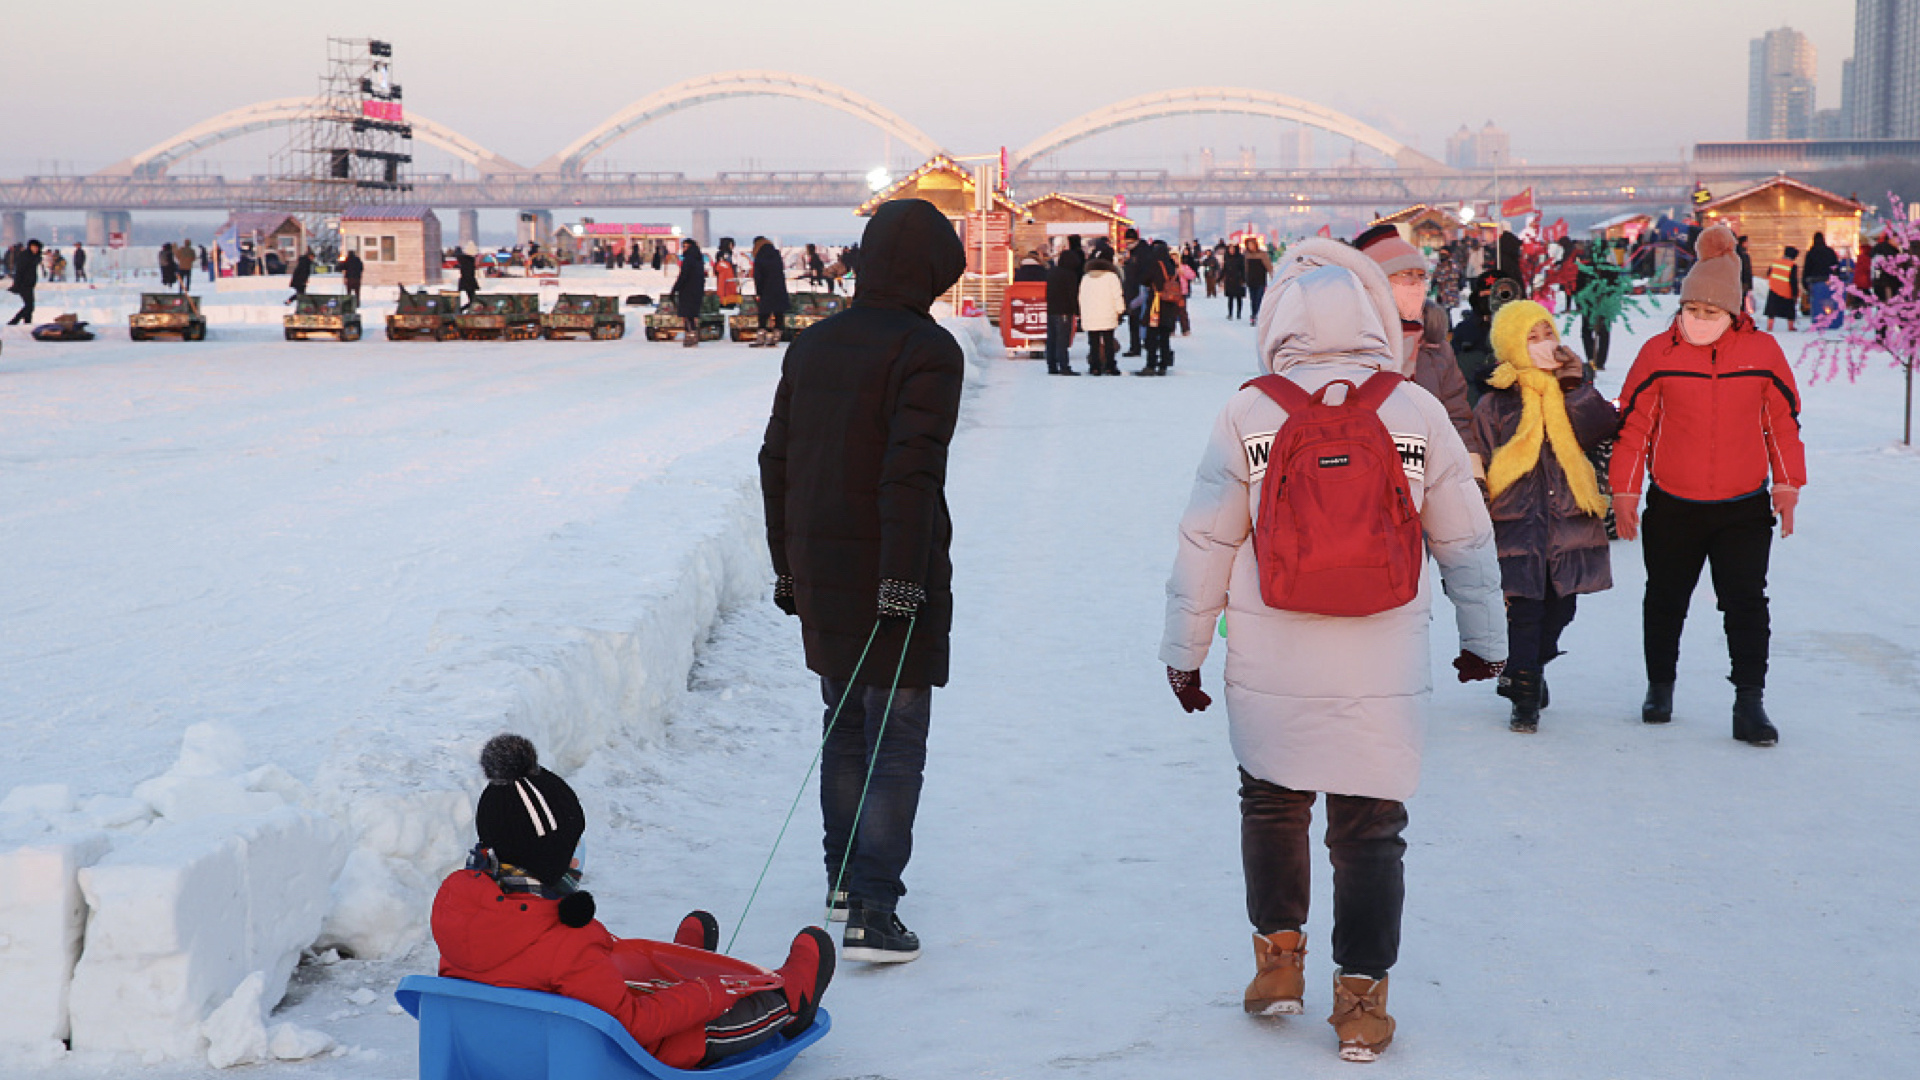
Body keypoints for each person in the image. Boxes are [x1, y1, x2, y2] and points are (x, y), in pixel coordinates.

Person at [1159, 239, 1505, 1064]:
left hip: (1271, 650)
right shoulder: (1413, 409)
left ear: (1278, 321)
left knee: (1273, 801)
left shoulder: (1252, 410)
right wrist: (1484, 640)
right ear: (1379, 317)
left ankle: (1278, 966)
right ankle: (1360, 1005)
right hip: (1381, 656)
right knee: (1372, 825)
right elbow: (1464, 536)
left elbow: (1207, 540)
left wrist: (1185, 651)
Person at [758, 198, 965, 965]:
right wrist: (902, 581)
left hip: (822, 569)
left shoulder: (813, 345)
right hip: (891, 569)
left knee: (844, 725)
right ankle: (874, 910)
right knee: (894, 736)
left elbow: (774, 460)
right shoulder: (928, 350)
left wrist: (787, 564)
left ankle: (844, 881)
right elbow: (909, 478)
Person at [432, 735, 834, 1070]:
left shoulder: (460, 915)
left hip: (514, 1056)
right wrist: (708, 993)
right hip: (626, 1058)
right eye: (571, 844)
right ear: (552, 858)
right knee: (718, 1020)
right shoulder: (567, 944)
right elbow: (637, 1024)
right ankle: (791, 1001)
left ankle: (677, 963)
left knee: (616, 968)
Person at [1609, 224, 1806, 747]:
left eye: (1710, 313)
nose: (1698, 321)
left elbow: (1782, 424)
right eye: (1691, 310)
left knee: (1745, 601)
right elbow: (1634, 427)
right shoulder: (1659, 354)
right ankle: (1660, 684)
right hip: (1674, 503)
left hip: (1742, 505)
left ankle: (1749, 701)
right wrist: (1625, 493)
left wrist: (1787, 486)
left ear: (1734, 312)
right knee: (1666, 598)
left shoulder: (1762, 354)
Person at [1467, 300, 1618, 732]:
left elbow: (1601, 427)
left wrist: (1575, 386)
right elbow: (1477, 450)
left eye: (1546, 333)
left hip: (1570, 521)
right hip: (1516, 522)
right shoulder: (1495, 403)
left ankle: (1528, 666)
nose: (1542, 344)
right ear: (1511, 345)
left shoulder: (1571, 389)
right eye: (1531, 338)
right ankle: (1526, 699)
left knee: (1562, 609)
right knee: (1525, 611)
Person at [1355, 226, 1474, 450]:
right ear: (1377, 283)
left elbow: (1457, 418)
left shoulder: (1435, 346)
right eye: (1405, 275)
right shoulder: (1352, 345)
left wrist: (1472, 469)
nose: (1416, 284)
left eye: (1420, 276)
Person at [1077, 243, 1125, 376]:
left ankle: (1095, 367)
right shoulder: (1111, 277)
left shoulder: (1086, 278)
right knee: (1108, 341)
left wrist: (1083, 313)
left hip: (1090, 315)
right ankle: (1110, 366)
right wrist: (1120, 310)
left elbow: (1081, 297)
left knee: (1094, 343)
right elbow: (1117, 295)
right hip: (1107, 314)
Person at [1136, 240, 1181, 376]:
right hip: (1170, 304)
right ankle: (1164, 363)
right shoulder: (1171, 265)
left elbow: (1144, 279)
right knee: (1165, 336)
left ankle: (1151, 364)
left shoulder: (1155, 264)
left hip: (1156, 304)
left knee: (1152, 335)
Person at [1044, 234, 1085, 376]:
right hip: (1064, 311)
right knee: (1063, 339)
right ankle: (1064, 366)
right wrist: (1077, 310)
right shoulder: (1070, 275)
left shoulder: (1052, 272)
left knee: (1052, 338)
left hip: (1051, 310)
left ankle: (1052, 365)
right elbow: (1072, 294)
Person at [751, 236, 790, 348]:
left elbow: (758, 276)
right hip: (779, 288)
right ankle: (776, 337)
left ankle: (761, 337)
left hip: (766, 289)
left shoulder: (759, 257)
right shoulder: (776, 255)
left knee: (763, 314)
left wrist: (759, 291)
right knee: (778, 312)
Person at [1803, 232, 1840, 330]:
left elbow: (1807, 269)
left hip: (1815, 281)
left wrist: (1805, 283)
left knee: (1817, 302)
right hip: (1829, 281)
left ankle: (1818, 320)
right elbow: (1836, 266)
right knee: (1829, 301)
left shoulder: (1811, 253)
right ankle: (1831, 319)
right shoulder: (1830, 251)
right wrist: (1837, 279)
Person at [673, 238, 706, 348]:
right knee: (693, 314)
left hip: (687, 290)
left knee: (687, 315)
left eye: (685, 246)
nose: (683, 248)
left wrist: (675, 288)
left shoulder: (688, 259)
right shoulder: (699, 259)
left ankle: (690, 336)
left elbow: (683, 276)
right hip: (697, 290)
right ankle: (693, 335)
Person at [1120, 228, 1148, 357]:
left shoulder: (1141, 252)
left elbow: (1137, 272)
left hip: (1139, 290)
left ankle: (1138, 346)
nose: (1128, 243)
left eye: (1130, 241)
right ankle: (1135, 345)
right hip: (1131, 290)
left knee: (1138, 319)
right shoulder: (1131, 252)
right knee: (1134, 320)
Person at [1762, 245, 1799, 332]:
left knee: (1771, 310)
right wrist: (1795, 294)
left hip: (1774, 289)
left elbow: (1768, 274)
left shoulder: (1775, 262)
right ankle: (1791, 327)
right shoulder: (1792, 265)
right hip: (1787, 291)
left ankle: (1770, 326)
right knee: (1790, 310)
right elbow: (1793, 281)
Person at [6, 239, 42, 324]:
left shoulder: (35, 256)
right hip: (23, 284)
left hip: (30, 284)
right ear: (29, 247)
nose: (35, 249)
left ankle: (27, 323)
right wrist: (16, 284)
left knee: (29, 306)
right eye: (33, 247)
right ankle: (14, 322)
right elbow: (19, 271)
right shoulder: (25, 256)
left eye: (36, 247)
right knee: (29, 306)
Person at [1244, 237, 1272, 323]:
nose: (1250, 246)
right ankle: (1254, 314)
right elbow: (1245, 268)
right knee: (1253, 299)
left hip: (1260, 280)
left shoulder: (1262, 254)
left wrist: (1272, 275)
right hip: (1251, 280)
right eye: (1249, 245)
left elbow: (1268, 266)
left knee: (1259, 298)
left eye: (1252, 244)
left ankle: (1259, 314)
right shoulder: (1246, 255)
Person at [1222, 242, 1247, 320]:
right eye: (1230, 249)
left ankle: (1238, 313)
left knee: (1239, 298)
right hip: (1229, 280)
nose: (1231, 251)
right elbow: (1224, 269)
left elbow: (1243, 269)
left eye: (1233, 249)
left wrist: (1243, 279)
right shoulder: (1226, 257)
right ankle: (1230, 313)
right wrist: (1220, 278)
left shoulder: (1240, 257)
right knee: (1230, 298)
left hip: (1238, 280)